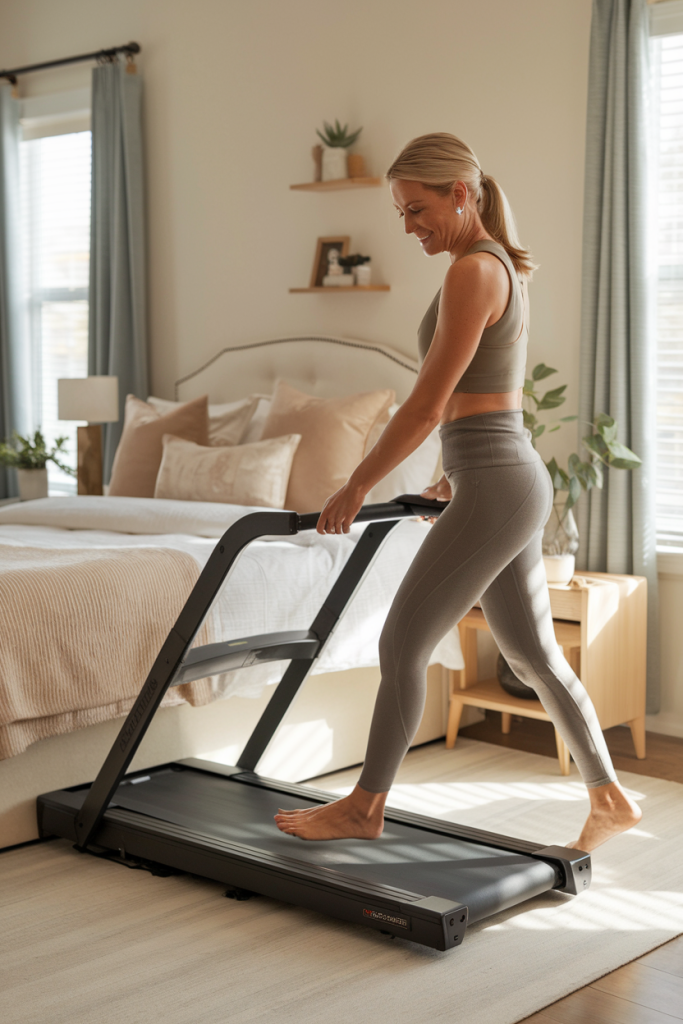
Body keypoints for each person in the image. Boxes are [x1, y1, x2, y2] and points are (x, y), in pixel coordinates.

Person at [275, 132, 641, 853]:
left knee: (402, 640)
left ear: (459, 194)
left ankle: (364, 807)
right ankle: (609, 796)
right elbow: (485, 396)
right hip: (499, 474)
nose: (408, 226)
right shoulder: (493, 265)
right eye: (400, 213)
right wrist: (457, 468)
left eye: (416, 209)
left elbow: (424, 405)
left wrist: (355, 484)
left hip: (499, 481)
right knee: (533, 653)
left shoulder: (473, 272)